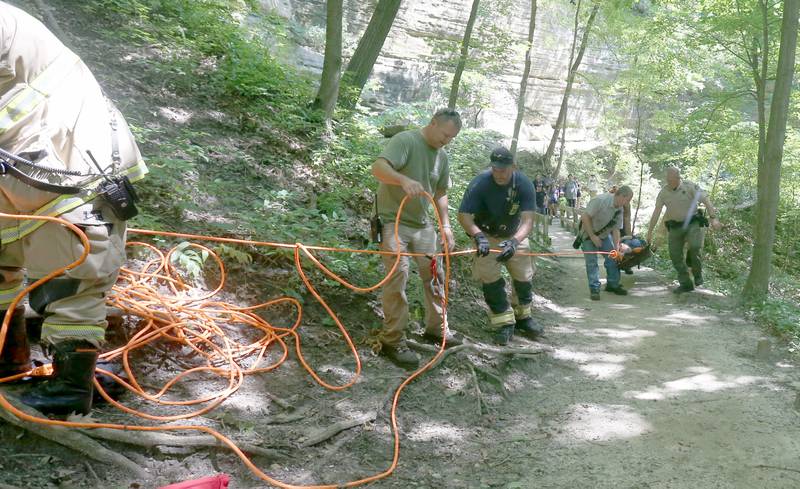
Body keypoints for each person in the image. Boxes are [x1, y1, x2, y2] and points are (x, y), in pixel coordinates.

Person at [0, 3, 147, 414]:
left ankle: (68, 388)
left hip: (73, 165)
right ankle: (9, 358)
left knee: (73, 274)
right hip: (20, 171)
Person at [371, 108, 462, 369]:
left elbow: (441, 192)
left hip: (422, 225)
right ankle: (393, 340)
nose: (446, 141)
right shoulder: (406, 141)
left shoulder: (442, 156)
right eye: (444, 135)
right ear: (432, 124)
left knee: (435, 274)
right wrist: (402, 180)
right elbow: (378, 167)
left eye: (451, 138)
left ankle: (437, 329)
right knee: (397, 274)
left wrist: (445, 225)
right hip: (392, 221)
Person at [458, 147, 543, 345]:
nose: (499, 174)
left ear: (513, 167)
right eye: (495, 169)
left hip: (515, 234)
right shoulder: (480, 183)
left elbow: (528, 220)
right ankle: (504, 322)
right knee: (489, 278)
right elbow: (464, 216)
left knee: (524, 276)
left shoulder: (523, 184)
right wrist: (478, 236)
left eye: (504, 170)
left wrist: (514, 242)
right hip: (485, 234)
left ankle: (523, 317)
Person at [645, 167, 721, 293]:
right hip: (675, 226)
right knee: (675, 255)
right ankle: (686, 283)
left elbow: (706, 200)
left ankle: (697, 275)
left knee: (695, 247)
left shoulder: (689, 186)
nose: (670, 182)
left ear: (678, 178)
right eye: (668, 180)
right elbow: (656, 212)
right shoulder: (663, 192)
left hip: (693, 222)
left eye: (672, 179)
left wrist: (713, 218)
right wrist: (650, 232)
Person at [578, 186, 634, 300]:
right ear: (621, 196)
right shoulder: (600, 201)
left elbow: (616, 229)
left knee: (613, 257)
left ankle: (613, 284)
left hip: (604, 236)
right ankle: (594, 289)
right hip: (588, 234)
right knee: (592, 261)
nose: (627, 203)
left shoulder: (620, 209)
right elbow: (585, 217)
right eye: (627, 200)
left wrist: (617, 248)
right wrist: (593, 236)